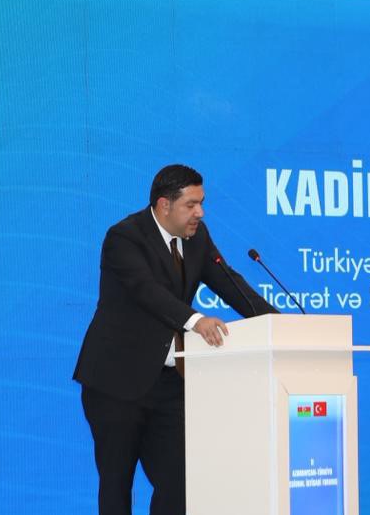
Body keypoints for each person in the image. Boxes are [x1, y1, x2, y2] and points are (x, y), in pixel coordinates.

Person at [73, 164, 276, 515]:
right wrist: (195, 321)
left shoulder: (197, 237)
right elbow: (146, 291)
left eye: (202, 203)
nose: (200, 213)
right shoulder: (125, 237)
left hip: (168, 383)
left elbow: (230, 284)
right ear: (164, 205)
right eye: (191, 205)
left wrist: (280, 323)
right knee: (117, 487)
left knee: (182, 484)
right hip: (115, 383)